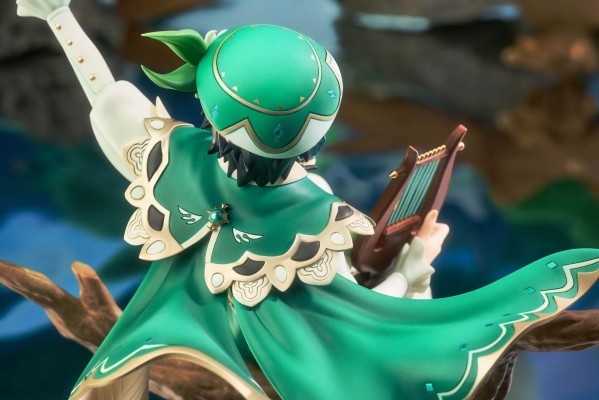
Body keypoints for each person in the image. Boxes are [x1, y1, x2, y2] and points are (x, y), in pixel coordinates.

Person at [15, 1, 599, 399]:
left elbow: (107, 94)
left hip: (170, 332)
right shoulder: (321, 217)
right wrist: (416, 265)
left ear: (213, 115)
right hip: (278, 372)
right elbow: (365, 323)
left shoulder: (176, 159)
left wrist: (59, 16)